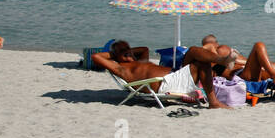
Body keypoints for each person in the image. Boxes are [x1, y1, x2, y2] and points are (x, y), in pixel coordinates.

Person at [91, 41, 239, 109]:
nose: (128, 52)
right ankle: (214, 102)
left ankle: (222, 60)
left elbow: (144, 48)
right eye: (124, 52)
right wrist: (116, 53)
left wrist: (126, 50)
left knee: (193, 50)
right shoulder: (121, 68)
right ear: (116, 56)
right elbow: (96, 57)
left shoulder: (141, 60)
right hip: (166, 84)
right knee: (202, 64)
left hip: (174, 76)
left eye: (128, 49)